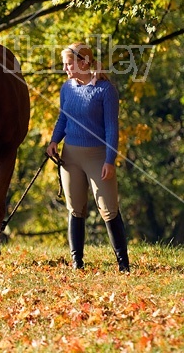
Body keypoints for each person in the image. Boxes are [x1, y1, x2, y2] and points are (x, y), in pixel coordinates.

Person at [47, 42, 130, 272]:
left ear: (83, 62)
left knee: (109, 209)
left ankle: (124, 266)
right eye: (65, 64)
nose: (65, 68)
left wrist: (110, 160)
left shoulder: (105, 90)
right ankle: (77, 263)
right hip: (70, 156)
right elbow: (63, 119)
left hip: (98, 156)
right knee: (75, 209)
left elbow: (112, 128)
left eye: (69, 64)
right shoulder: (67, 88)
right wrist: (54, 141)